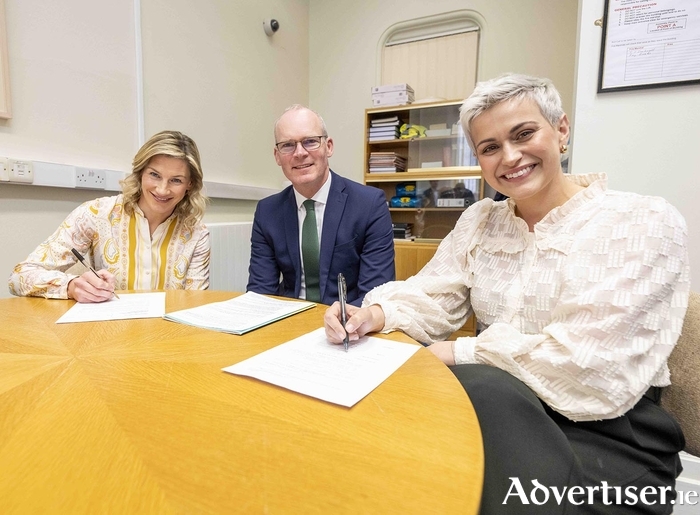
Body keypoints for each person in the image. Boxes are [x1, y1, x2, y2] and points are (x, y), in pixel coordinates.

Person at [325, 74, 690, 514]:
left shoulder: (640, 221)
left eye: (524, 134)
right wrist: (376, 314)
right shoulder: (480, 221)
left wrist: (457, 353)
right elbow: (434, 296)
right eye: (490, 147)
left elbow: (591, 367)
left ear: (561, 130)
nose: (510, 157)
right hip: (495, 409)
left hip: (608, 436)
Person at [9, 130, 210, 302]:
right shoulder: (96, 214)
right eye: (154, 175)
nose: (162, 189)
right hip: (109, 335)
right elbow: (19, 276)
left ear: (190, 184)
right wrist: (71, 286)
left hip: (168, 338)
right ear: (140, 173)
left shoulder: (196, 233)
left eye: (176, 180)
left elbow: (194, 303)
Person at [247, 104, 395, 306]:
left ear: (329, 146)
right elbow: (261, 292)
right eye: (288, 145)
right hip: (287, 322)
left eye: (310, 141)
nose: (299, 153)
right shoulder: (267, 211)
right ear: (277, 156)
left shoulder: (369, 204)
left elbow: (376, 294)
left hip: (349, 322)